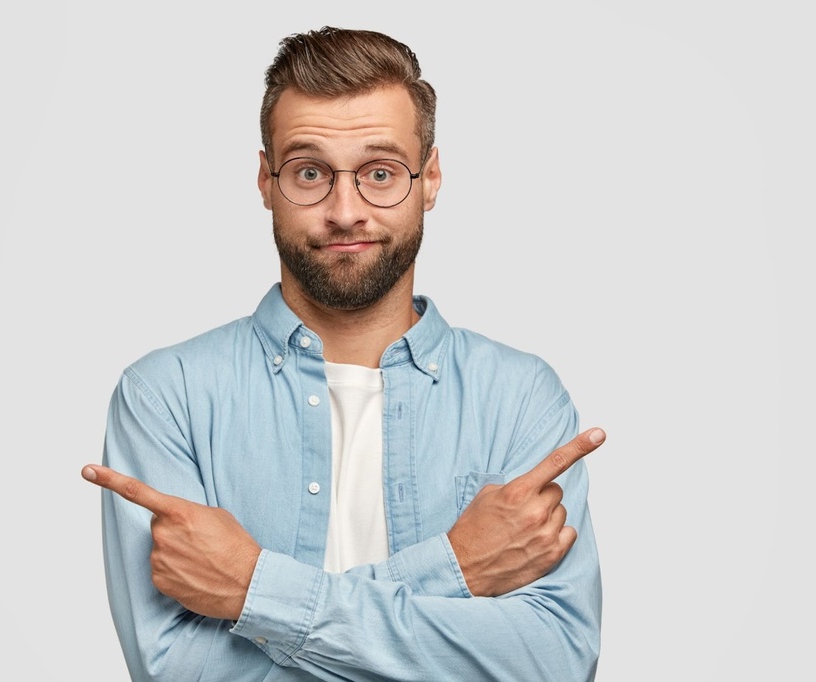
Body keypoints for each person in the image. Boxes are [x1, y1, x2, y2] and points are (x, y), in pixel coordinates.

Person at [82, 26, 604, 681]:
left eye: (380, 173)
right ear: (266, 181)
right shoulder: (167, 397)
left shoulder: (520, 397)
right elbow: (178, 670)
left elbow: (552, 664)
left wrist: (252, 591)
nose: (345, 210)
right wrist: (453, 570)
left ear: (431, 178)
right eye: (309, 172)